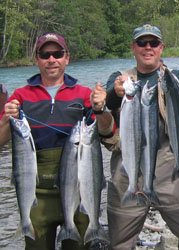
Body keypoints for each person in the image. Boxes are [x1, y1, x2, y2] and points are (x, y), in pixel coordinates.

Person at [0, 33, 114, 250]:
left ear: (66, 58)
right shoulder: (21, 96)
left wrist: (100, 108)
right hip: (37, 195)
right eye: (45, 54)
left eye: (57, 54)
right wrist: (7, 117)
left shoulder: (84, 94)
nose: (51, 59)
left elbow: (108, 131)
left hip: (79, 191)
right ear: (37, 59)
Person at [104, 24, 179, 250]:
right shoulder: (120, 78)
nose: (147, 47)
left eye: (153, 43)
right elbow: (107, 101)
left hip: (168, 165)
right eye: (142, 43)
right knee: (119, 244)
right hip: (127, 167)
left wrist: (172, 84)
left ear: (161, 48)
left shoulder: (175, 76)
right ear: (133, 47)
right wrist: (115, 92)